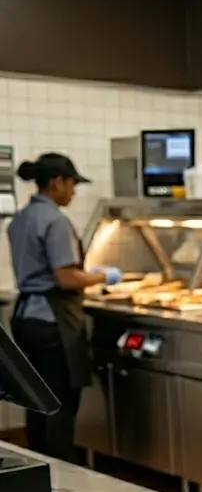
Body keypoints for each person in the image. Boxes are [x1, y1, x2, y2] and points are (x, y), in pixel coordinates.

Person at [8, 154, 121, 462]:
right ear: (57, 182)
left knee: (37, 399)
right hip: (52, 320)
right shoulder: (55, 221)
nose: (73, 192)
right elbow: (66, 276)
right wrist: (104, 275)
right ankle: (62, 473)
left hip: (25, 317)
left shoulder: (21, 218)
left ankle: (38, 465)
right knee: (60, 401)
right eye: (72, 185)